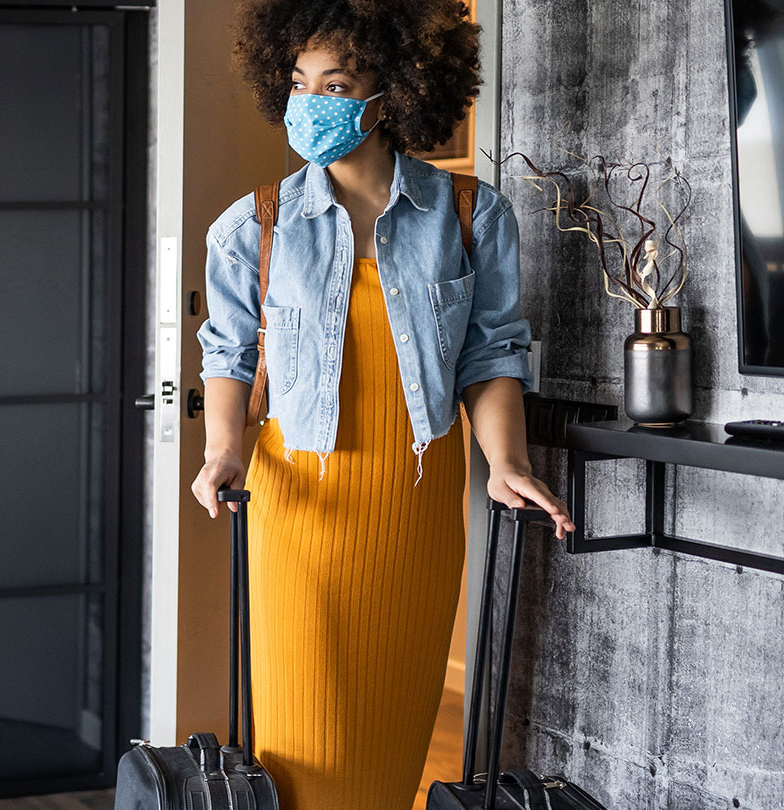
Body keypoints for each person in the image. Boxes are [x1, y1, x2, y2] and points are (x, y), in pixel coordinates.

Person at [190, 1, 577, 806]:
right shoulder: (253, 227)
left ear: (391, 92)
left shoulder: (471, 216)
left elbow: (493, 353)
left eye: (335, 84)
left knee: (391, 739)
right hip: (298, 512)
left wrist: (506, 463)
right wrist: (221, 450)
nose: (310, 104)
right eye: (299, 83)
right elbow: (227, 355)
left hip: (416, 510)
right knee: (300, 749)